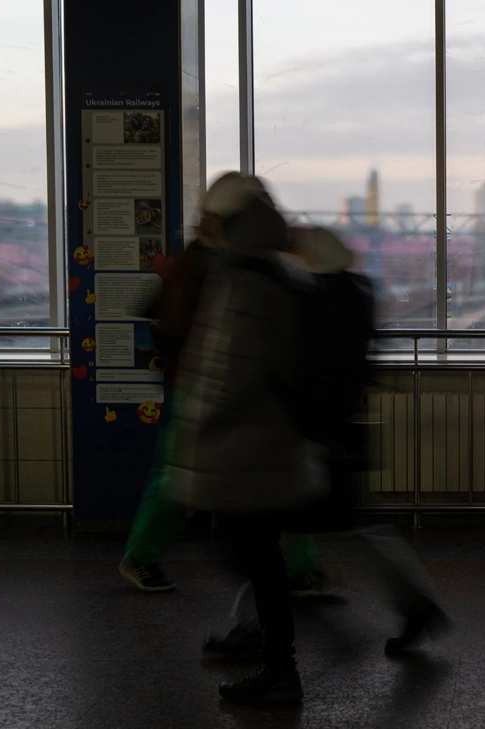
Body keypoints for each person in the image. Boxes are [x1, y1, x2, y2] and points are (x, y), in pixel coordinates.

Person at [201, 226, 448, 660]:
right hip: (337, 432)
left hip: (308, 436)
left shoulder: (313, 299)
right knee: (345, 530)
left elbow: (295, 367)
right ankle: (418, 606)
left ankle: (251, 628)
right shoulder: (357, 290)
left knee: (267, 533)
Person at [118, 173, 324, 596]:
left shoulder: (212, 260)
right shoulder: (216, 264)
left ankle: (297, 569)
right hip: (204, 390)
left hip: (208, 389)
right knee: (181, 478)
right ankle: (142, 556)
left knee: (191, 478)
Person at [164, 176, 324, 704]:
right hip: (266, 443)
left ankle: (284, 664)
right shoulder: (276, 271)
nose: (205, 228)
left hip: (244, 447)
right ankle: (279, 661)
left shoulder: (243, 279)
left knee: (249, 557)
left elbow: (228, 369)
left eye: (213, 219)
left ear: (233, 223)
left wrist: (195, 422)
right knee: (257, 557)